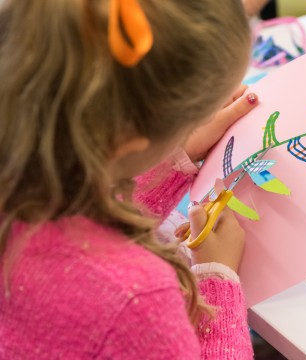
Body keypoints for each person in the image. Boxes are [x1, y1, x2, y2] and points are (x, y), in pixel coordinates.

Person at [0, 0, 259, 358]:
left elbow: (79, 215)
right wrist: (217, 281)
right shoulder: (137, 300)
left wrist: (171, 162)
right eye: (192, 119)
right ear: (127, 143)